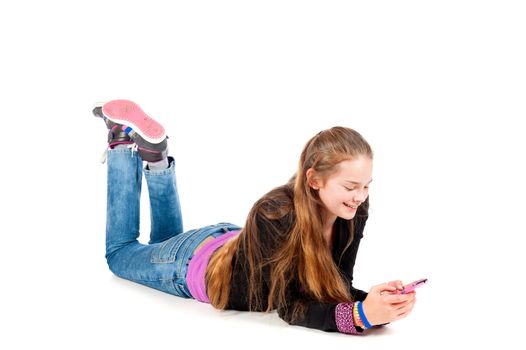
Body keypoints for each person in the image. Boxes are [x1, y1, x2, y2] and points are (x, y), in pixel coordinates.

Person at [94, 99, 417, 336]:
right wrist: (359, 314)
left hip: (229, 243)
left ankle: (156, 158)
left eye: (366, 186)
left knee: (162, 243)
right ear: (314, 180)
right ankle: (122, 141)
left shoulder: (351, 209)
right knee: (119, 253)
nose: (360, 197)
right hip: (191, 264)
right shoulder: (275, 214)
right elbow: (291, 305)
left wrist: (374, 303)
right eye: (350, 186)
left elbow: (333, 285)